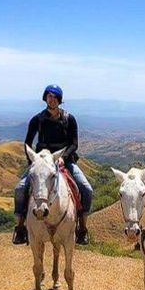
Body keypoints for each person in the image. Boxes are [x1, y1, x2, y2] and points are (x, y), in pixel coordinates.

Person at [12, 84, 93, 245]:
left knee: (86, 189)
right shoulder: (37, 119)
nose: (52, 99)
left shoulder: (69, 119)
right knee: (20, 188)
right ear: (45, 98)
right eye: (49, 96)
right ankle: (20, 227)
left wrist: (64, 157)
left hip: (65, 161)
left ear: (60, 100)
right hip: (42, 162)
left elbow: (74, 143)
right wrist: (33, 163)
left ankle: (82, 229)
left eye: (55, 97)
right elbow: (28, 143)